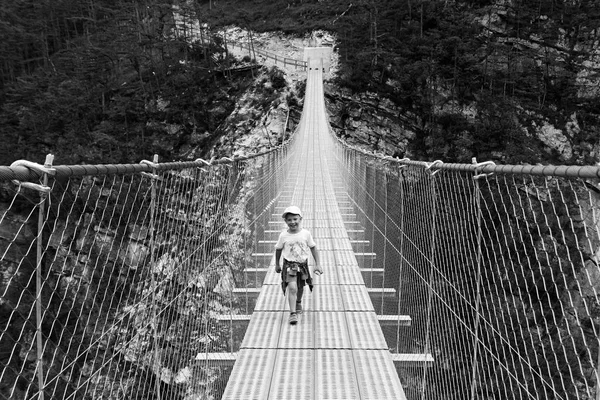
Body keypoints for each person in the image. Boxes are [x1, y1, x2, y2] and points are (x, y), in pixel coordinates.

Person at [274, 206, 322, 325]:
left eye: (295, 219)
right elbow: (278, 249)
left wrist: (318, 264)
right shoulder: (283, 235)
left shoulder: (306, 234)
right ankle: (292, 314)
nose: (292, 222)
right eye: (289, 220)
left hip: (302, 265)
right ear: (285, 221)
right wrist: (277, 264)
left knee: (300, 287)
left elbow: (313, 248)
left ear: (300, 219)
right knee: (292, 287)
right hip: (289, 265)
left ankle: (298, 301)